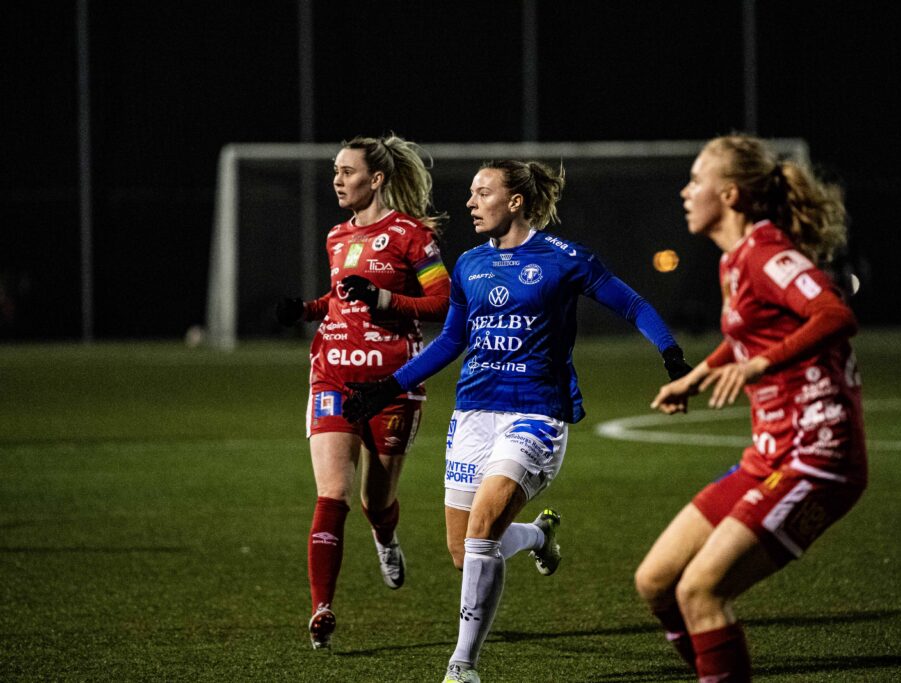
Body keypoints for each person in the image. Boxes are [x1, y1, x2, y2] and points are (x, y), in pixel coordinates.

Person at [342, 159, 692, 683]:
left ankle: (462, 666)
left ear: (515, 201)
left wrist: (670, 353)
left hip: (535, 413)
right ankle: (536, 537)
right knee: (463, 552)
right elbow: (453, 340)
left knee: (483, 533)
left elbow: (633, 304)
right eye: (472, 193)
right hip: (473, 413)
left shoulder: (564, 259)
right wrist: (387, 387)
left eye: (483, 192)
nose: (470, 202)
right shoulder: (470, 264)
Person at [634, 134, 867, 681]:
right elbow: (746, 335)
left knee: (701, 590)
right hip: (770, 454)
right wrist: (698, 376)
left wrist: (759, 366)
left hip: (818, 457)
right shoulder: (735, 261)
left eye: (697, 180)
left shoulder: (767, 254)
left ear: (731, 195)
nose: (686, 191)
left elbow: (835, 315)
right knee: (656, 581)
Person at [275, 134, 451, 650]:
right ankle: (322, 609)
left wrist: (385, 298)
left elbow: (443, 301)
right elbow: (341, 299)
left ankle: (385, 536)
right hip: (333, 374)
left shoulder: (412, 236)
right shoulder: (336, 236)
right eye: (335, 171)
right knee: (333, 493)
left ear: (375, 179)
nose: (337, 180)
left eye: (347, 172)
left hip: (392, 383)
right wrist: (306, 310)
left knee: (377, 501)